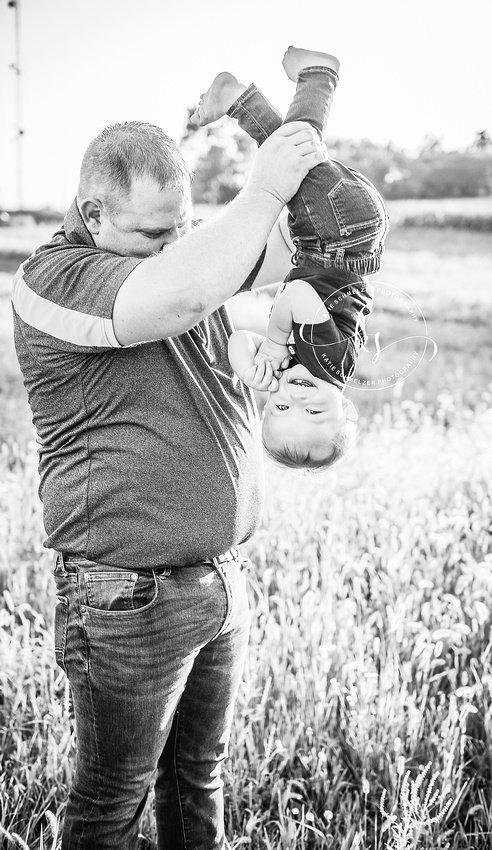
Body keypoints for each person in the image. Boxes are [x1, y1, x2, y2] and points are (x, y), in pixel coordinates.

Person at [11, 104, 324, 846]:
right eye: (153, 232)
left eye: (179, 228)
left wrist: (256, 353)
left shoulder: (182, 263)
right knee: (111, 803)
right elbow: (177, 295)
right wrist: (261, 193)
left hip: (221, 578)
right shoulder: (53, 279)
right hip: (127, 597)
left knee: (197, 778)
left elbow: (327, 230)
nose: (170, 245)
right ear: (93, 212)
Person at [191, 47, 389, 470]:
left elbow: (239, 341)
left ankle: (239, 97)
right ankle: (319, 75)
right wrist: (276, 342)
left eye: (279, 409)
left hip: (338, 235)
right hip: (339, 235)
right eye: (315, 412)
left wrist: (251, 367)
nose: (296, 399)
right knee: (292, 151)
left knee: (294, 151)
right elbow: (297, 294)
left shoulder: (294, 373)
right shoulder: (328, 362)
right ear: (344, 407)